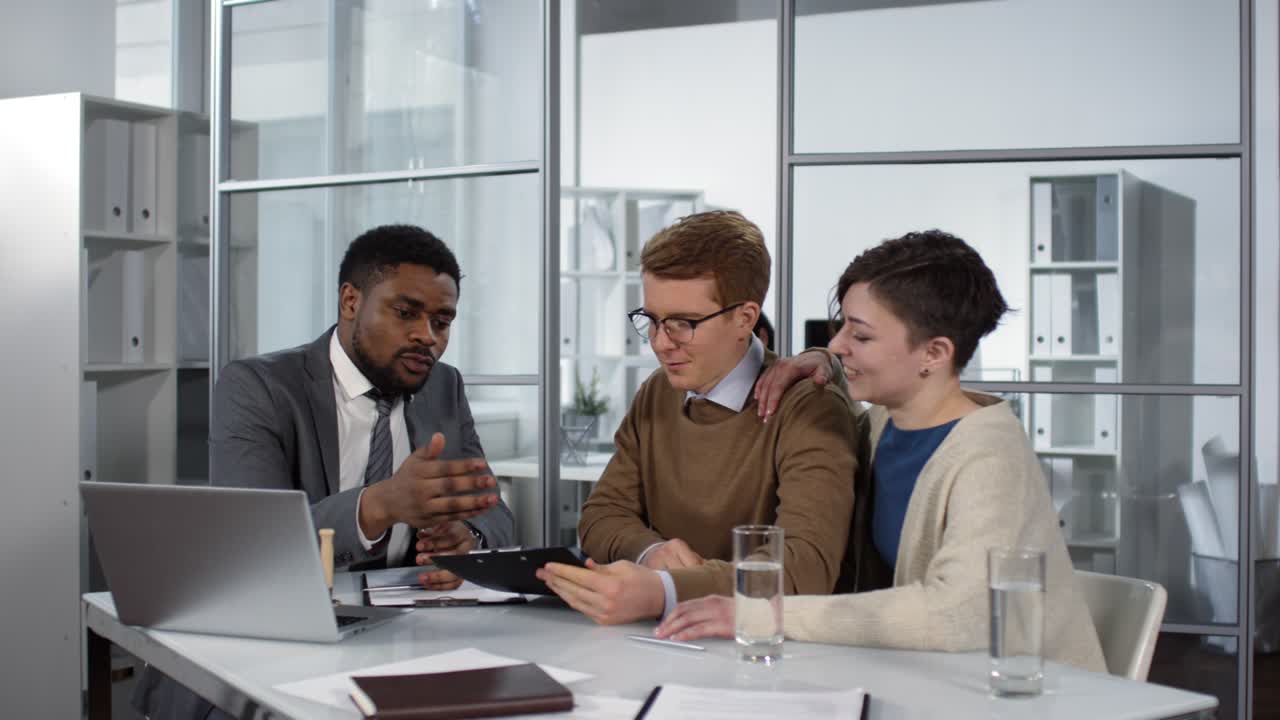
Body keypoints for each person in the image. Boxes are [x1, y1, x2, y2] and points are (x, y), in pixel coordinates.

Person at [655, 230, 1106, 672]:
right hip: (930, 678)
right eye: (842, 326)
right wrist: (822, 361)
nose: (837, 343)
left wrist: (763, 612)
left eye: (862, 336)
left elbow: (954, 614)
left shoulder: (989, 459)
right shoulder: (882, 422)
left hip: (1029, 696)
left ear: (934, 353)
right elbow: (837, 373)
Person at [133, 224, 516, 719]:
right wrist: (378, 506)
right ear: (351, 301)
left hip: (401, 638)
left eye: (443, 321)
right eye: (406, 313)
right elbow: (253, 548)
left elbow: (497, 516)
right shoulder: (258, 387)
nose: (428, 336)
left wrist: (466, 536)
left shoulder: (444, 386)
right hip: (275, 638)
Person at [537, 211, 861, 625]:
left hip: (770, 655)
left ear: (745, 319)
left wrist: (667, 590)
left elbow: (803, 568)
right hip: (662, 642)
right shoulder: (656, 393)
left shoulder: (809, 407)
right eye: (651, 320)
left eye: (682, 324)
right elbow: (600, 517)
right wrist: (648, 551)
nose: (659, 343)